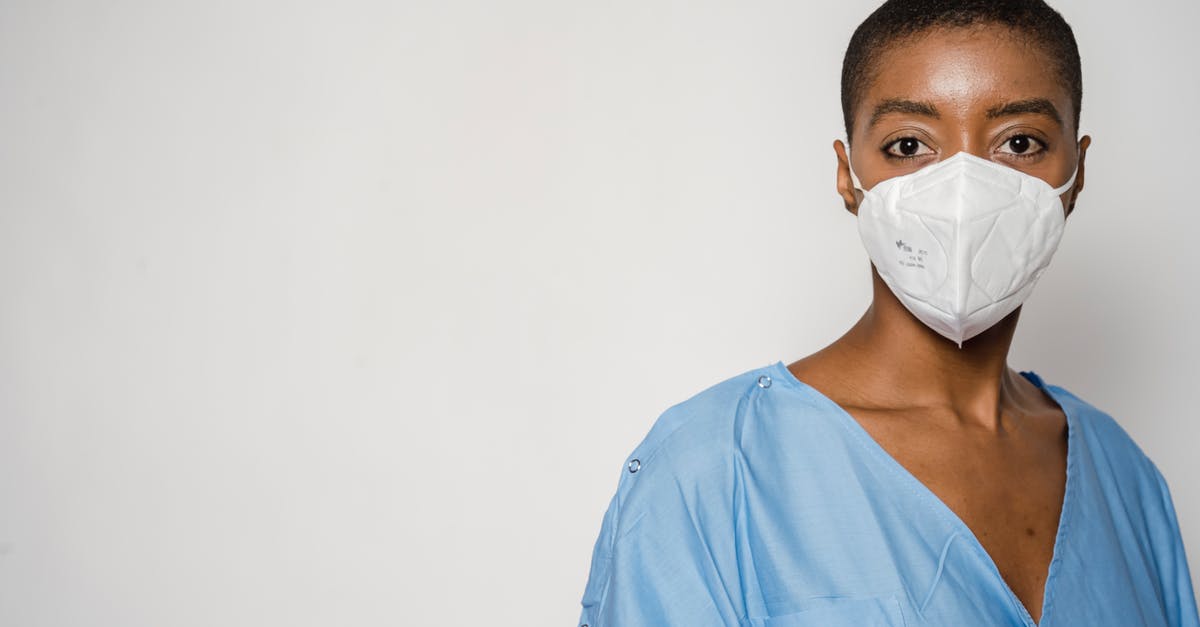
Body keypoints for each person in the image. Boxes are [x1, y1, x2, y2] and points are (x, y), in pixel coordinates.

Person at [575, 1, 1200, 625]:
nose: (964, 193)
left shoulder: (1125, 479)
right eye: (909, 144)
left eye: (1018, 142)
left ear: (1077, 172)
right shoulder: (715, 471)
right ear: (849, 177)